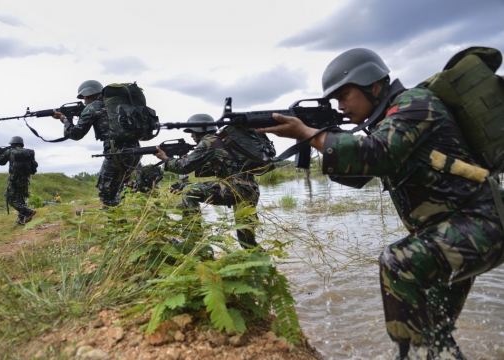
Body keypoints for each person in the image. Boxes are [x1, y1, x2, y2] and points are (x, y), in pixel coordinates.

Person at [257, 48, 504, 359]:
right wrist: (317, 137)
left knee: (398, 263)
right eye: (335, 101)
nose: (341, 106)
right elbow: (361, 174)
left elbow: (380, 152)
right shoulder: (388, 120)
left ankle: (405, 356)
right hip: (454, 232)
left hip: (483, 226)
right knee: (436, 336)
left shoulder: (415, 103)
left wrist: (311, 134)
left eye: (344, 95)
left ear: (372, 86)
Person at [154, 114, 260, 249]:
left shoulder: (209, 141)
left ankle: (192, 240)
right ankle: (263, 266)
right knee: (247, 242)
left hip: (237, 187)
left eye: (192, 131)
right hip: (250, 189)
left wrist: (165, 159)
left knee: (189, 191)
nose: (191, 135)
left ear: (200, 129)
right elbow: (213, 168)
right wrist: (189, 158)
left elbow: (183, 167)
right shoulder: (221, 140)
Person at [52, 80, 141, 208]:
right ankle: (119, 220)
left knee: (106, 192)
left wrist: (64, 119)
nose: (84, 102)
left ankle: (119, 225)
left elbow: (75, 134)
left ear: (89, 94)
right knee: (115, 189)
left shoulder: (93, 107)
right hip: (136, 151)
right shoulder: (117, 104)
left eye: (85, 98)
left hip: (116, 153)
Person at [0, 136, 38, 225]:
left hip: (14, 179)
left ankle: (27, 212)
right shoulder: (28, 152)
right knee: (21, 198)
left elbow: (1, 162)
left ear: (12, 143)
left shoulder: (9, 151)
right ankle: (21, 220)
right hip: (26, 179)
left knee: (10, 198)